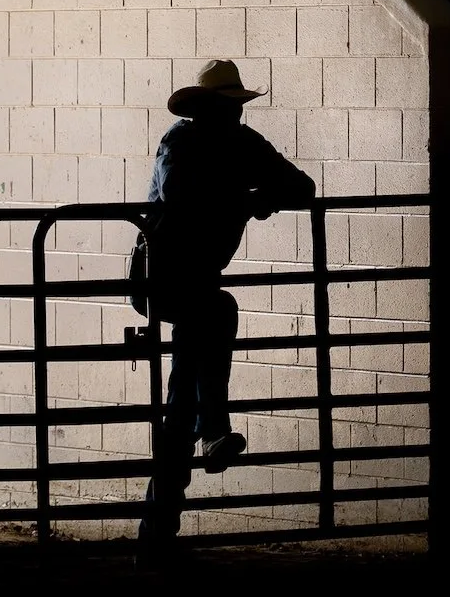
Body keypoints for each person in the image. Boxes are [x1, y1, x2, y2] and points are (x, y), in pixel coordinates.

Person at [136, 58, 317, 561]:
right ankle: (213, 429)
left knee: (181, 397)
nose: (236, 115)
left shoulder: (239, 143)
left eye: (237, 107)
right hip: (166, 278)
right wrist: (248, 199)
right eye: (229, 106)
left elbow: (300, 186)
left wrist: (259, 196)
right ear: (209, 107)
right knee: (215, 310)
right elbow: (180, 198)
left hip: (190, 283)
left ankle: (156, 532)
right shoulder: (183, 142)